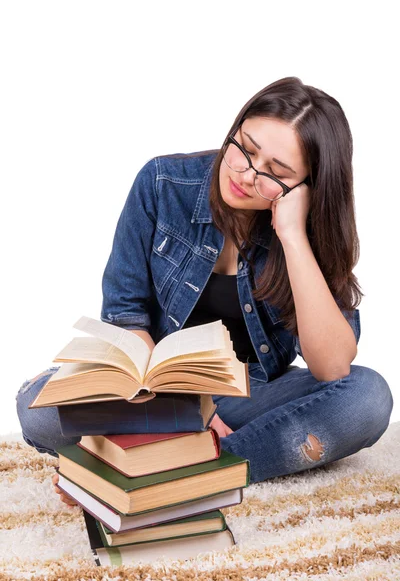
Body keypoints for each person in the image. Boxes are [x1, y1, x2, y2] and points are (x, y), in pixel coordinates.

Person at [16, 76, 393, 509]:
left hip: (250, 397)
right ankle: (195, 459)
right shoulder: (162, 183)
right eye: (245, 149)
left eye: (276, 173)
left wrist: (293, 236)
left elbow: (332, 367)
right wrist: (192, 408)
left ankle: (185, 473)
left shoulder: (307, 228)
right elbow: (125, 315)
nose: (245, 174)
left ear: (307, 186)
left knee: (368, 397)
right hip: (154, 398)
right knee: (38, 408)